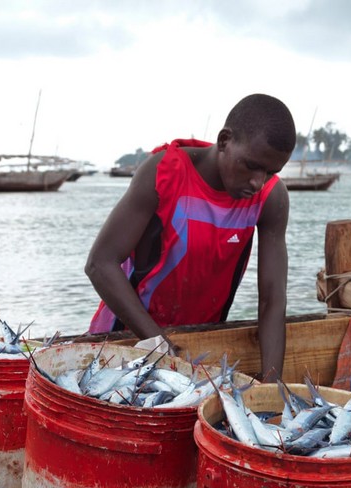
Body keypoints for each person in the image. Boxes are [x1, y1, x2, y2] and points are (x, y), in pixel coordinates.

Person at [84, 94, 295, 381]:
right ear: (224, 141)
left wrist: (272, 388)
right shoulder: (164, 172)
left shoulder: (271, 198)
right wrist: (157, 345)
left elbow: (272, 299)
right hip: (124, 338)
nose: (258, 182)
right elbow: (100, 263)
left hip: (198, 345)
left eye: (271, 172)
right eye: (251, 165)